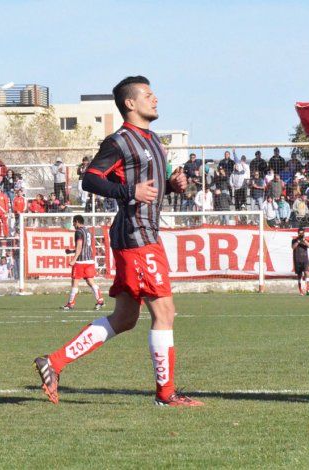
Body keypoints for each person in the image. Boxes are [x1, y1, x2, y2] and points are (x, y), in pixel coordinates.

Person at [33, 75, 203, 407]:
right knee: (165, 311)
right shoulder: (119, 141)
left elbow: (155, 184)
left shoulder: (154, 139)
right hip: (136, 235)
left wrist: (174, 184)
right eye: (148, 95)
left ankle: (53, 362)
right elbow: (91, 180)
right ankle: (166, 396)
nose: (155, 99)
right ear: (130, 103)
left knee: (125, 318)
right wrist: (130, 191)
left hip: (143, 234)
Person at [61, 215, 105, 311]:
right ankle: (100, 300)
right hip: (89, 260)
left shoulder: (78, 232)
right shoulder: (87, 231)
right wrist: (72, 251)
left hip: (81, 262)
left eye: (73, 222)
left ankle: (70, 304)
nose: (73, 224)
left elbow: (80, 246)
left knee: (75, 282)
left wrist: (73, 259)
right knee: (90, 281)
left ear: (77, 221)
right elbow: (84, 247)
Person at [291, 227, 309, 295]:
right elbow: (293, 247)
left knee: (306, 273)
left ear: (304, 233)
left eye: (302, 233)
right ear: (298, 233)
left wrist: (304, 240)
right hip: (297, 259)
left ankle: (308, 290)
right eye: (300, 233)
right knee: (299, 275)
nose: (301, 234)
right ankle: (301, 291)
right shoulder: (294, 240)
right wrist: (298, 241)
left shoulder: (306, 240)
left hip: (305, 259)